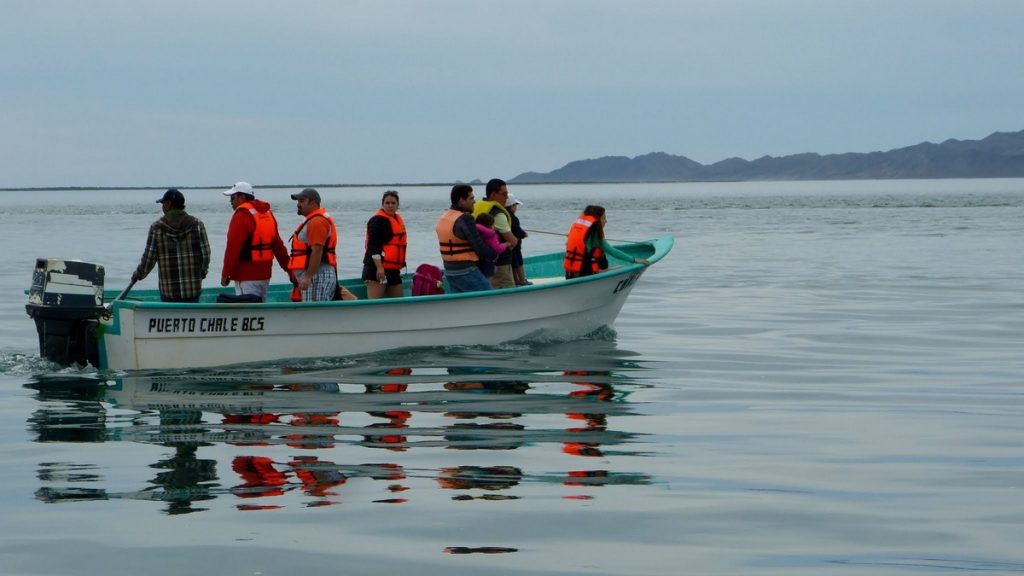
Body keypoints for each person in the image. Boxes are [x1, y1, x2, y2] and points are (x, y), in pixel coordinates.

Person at [132, 189, 211, 302]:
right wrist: (201, 274)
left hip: (169, 292)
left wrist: (138, 274)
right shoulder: (197, 225)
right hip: (192, 290)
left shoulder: (156, 227)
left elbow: (148, 260)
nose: (162, 207)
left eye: (163, 203)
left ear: (169, 204)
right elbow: (206, 255)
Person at [220, 181, 289, 301]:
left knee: (247, 312)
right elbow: (278, 247)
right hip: (265, 276)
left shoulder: (242, 216)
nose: (230, 201)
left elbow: (233, 248)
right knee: (259, 308)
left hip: (246, 277)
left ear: (242, 197)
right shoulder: (268, 215)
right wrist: (289, 269)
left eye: (233, 197)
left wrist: (226, 274)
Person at [435, 184, 497, 293]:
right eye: (471, 198)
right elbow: (479, 247)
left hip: (450, 272)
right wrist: (495, 253)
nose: (474, 202)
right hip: (468, 271)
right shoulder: (465, 218)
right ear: (461, 200)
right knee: (488, 299)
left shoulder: (443, 218)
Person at [564, 205, 650, 279]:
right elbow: (613, 252)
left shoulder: (575, 231)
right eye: (604, 218)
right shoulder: (596, 237)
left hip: (569, 275)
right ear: (597, 220)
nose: (606, 221)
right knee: (620, 267)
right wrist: (634, 260)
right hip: (584, 275)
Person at [287, 188, 338, 302]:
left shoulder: (317, 222)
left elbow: (317, 251)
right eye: (298, 201)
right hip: (316, 275)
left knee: (315, 314)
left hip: (317, 276)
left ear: (313, 203)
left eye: (302, 201)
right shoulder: (312, 221)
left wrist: (308, 276)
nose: (298, 204)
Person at [472, 178, 518, 289]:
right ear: (493, 195)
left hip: (480, 264)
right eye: (504, 194)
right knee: (506, 297)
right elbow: (512, 241)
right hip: (500, 265)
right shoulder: (498, 214)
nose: (507, 197)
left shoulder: (476, 207)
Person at [363, 190, 407, 299]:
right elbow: (373, 246)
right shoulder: (377, 221)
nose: (390, 206)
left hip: (393, 270)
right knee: (375, 304)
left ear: (398, 205)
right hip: (376, 269)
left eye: (393, 203)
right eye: (387, 203)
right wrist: (379, 267)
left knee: (399, 302)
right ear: (382, 204)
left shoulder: (397, 220)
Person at [505, 193, 531, 286]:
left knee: (513, 265)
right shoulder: (513, 218)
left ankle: (516, 281)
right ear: (511, 206)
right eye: (515, 205)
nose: (516, 207)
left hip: (509, 247)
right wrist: (524, 234)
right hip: (515, 246)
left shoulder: (505, 216)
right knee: (519, 263)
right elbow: (516, 230)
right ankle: (523, 281)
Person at [473, 212, 507, 278]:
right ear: (491, 224)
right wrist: (505, 244)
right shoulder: (491, 235)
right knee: (488, 278)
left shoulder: (475, 232)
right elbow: (498, 249)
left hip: (477, 260)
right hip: (489, 261)